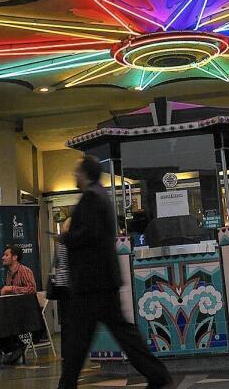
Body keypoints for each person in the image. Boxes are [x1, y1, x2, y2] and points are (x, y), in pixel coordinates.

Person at [58, 155, 172, 389]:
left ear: (85, 174)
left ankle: (67, 384)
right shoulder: (102, 195)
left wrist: (67, 237)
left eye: (77, 173)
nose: (75, 176)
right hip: (104, 279)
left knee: (79, 339)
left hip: (91, 282)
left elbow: (89, 234)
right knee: (123, 333)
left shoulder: (90, 198)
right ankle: (157, 375)